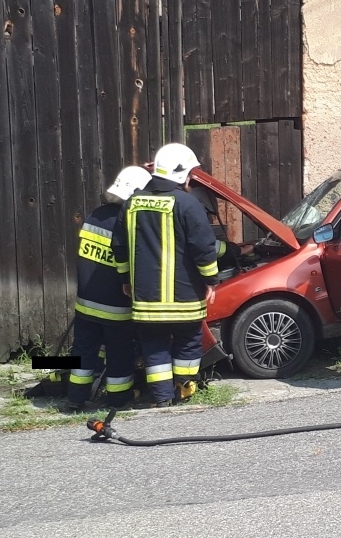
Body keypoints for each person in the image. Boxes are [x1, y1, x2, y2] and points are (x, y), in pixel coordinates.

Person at [111, 143, 229, 407]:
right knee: (188, 344)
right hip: (185, 297)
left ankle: (161, 398)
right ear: (183, 174)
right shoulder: (187, 203)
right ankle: (184, 392)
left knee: (154, 347)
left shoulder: (132, 203)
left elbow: (119, 246)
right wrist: (211, 280)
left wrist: (124, 281)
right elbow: (203, 248)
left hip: (146, 300)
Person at [64, 165, 153, 413]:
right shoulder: (127, 222)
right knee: (119, 355)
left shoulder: (94, 216)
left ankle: (75, 398)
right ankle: (117, 400)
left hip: (86, 303)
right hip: (116, 307)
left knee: (83, 353)